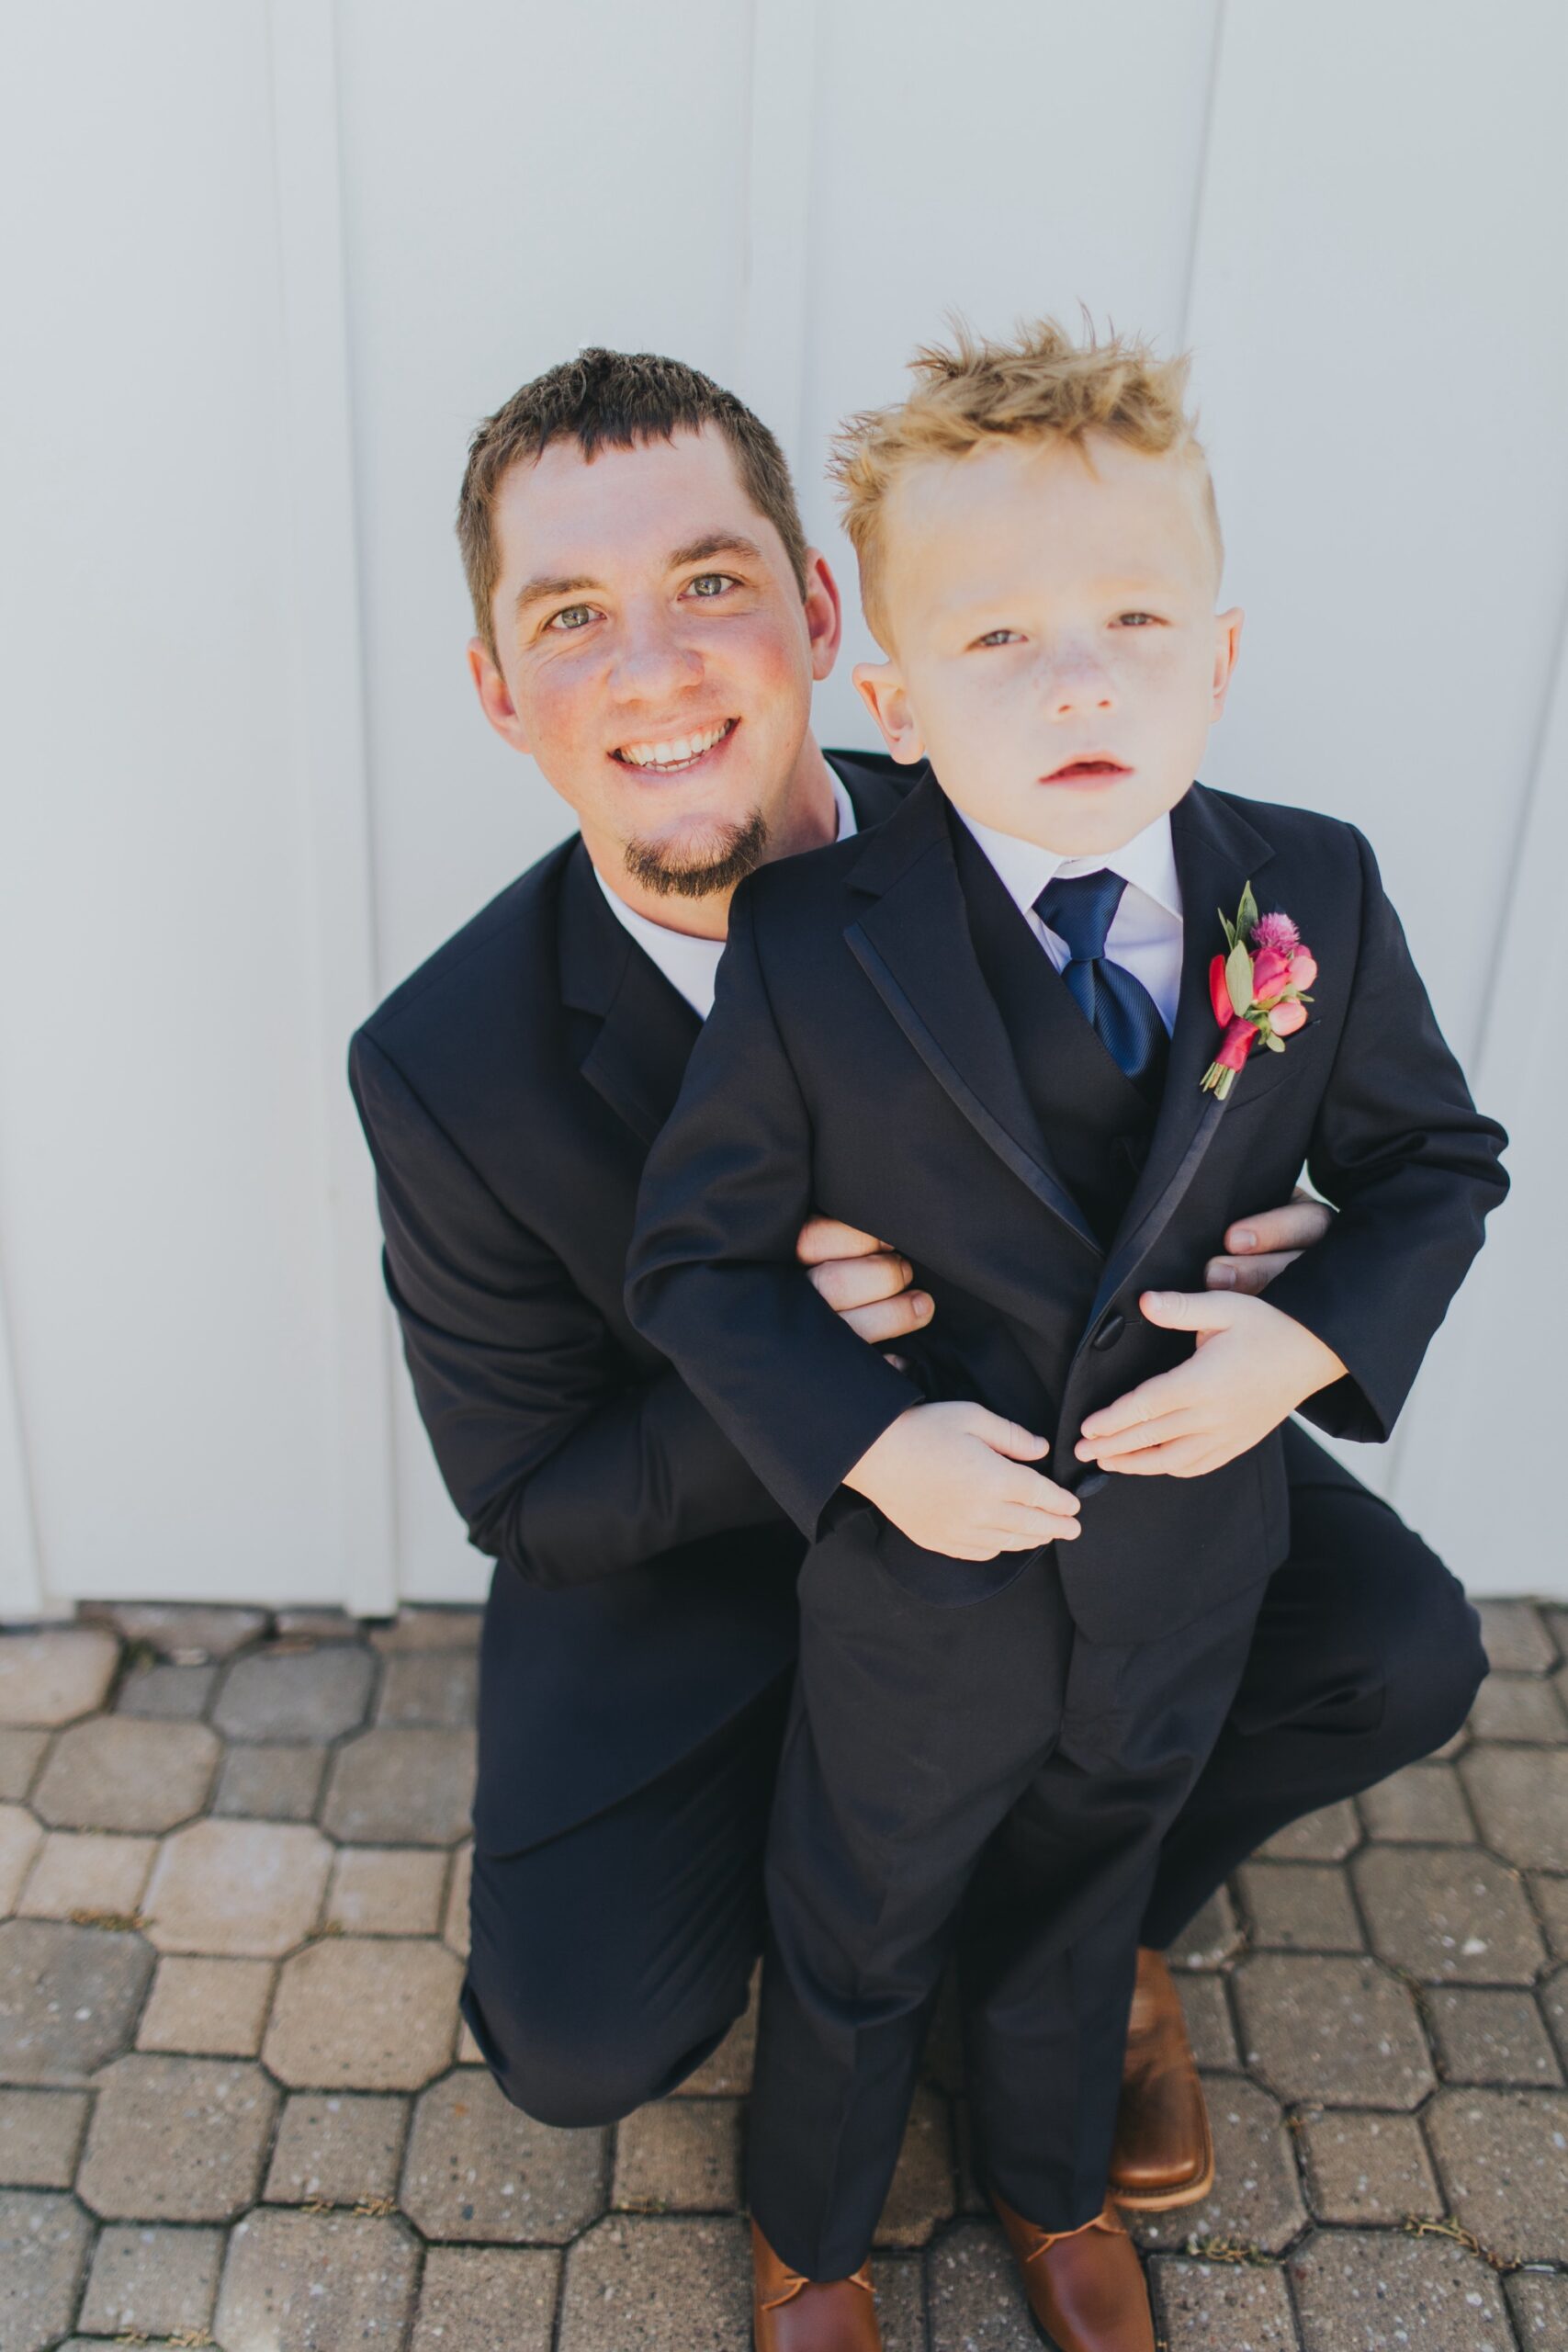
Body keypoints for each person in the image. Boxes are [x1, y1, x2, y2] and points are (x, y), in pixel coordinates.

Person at [346, 346, 1488, 2306]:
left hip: (1092, 1492)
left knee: (1392, 1649)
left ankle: (1076, 1927)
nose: (651, 663)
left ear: (816, 615)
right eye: (568, 616)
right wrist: (819, 1389)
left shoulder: (1043, 784)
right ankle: (864, 2016)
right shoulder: (442, 1062)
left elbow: (1312, 1124)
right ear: (497, 688)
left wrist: (1293, 1266)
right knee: (578, 2034)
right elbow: (527, 1492)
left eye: (707, 581)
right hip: (709, 1566)